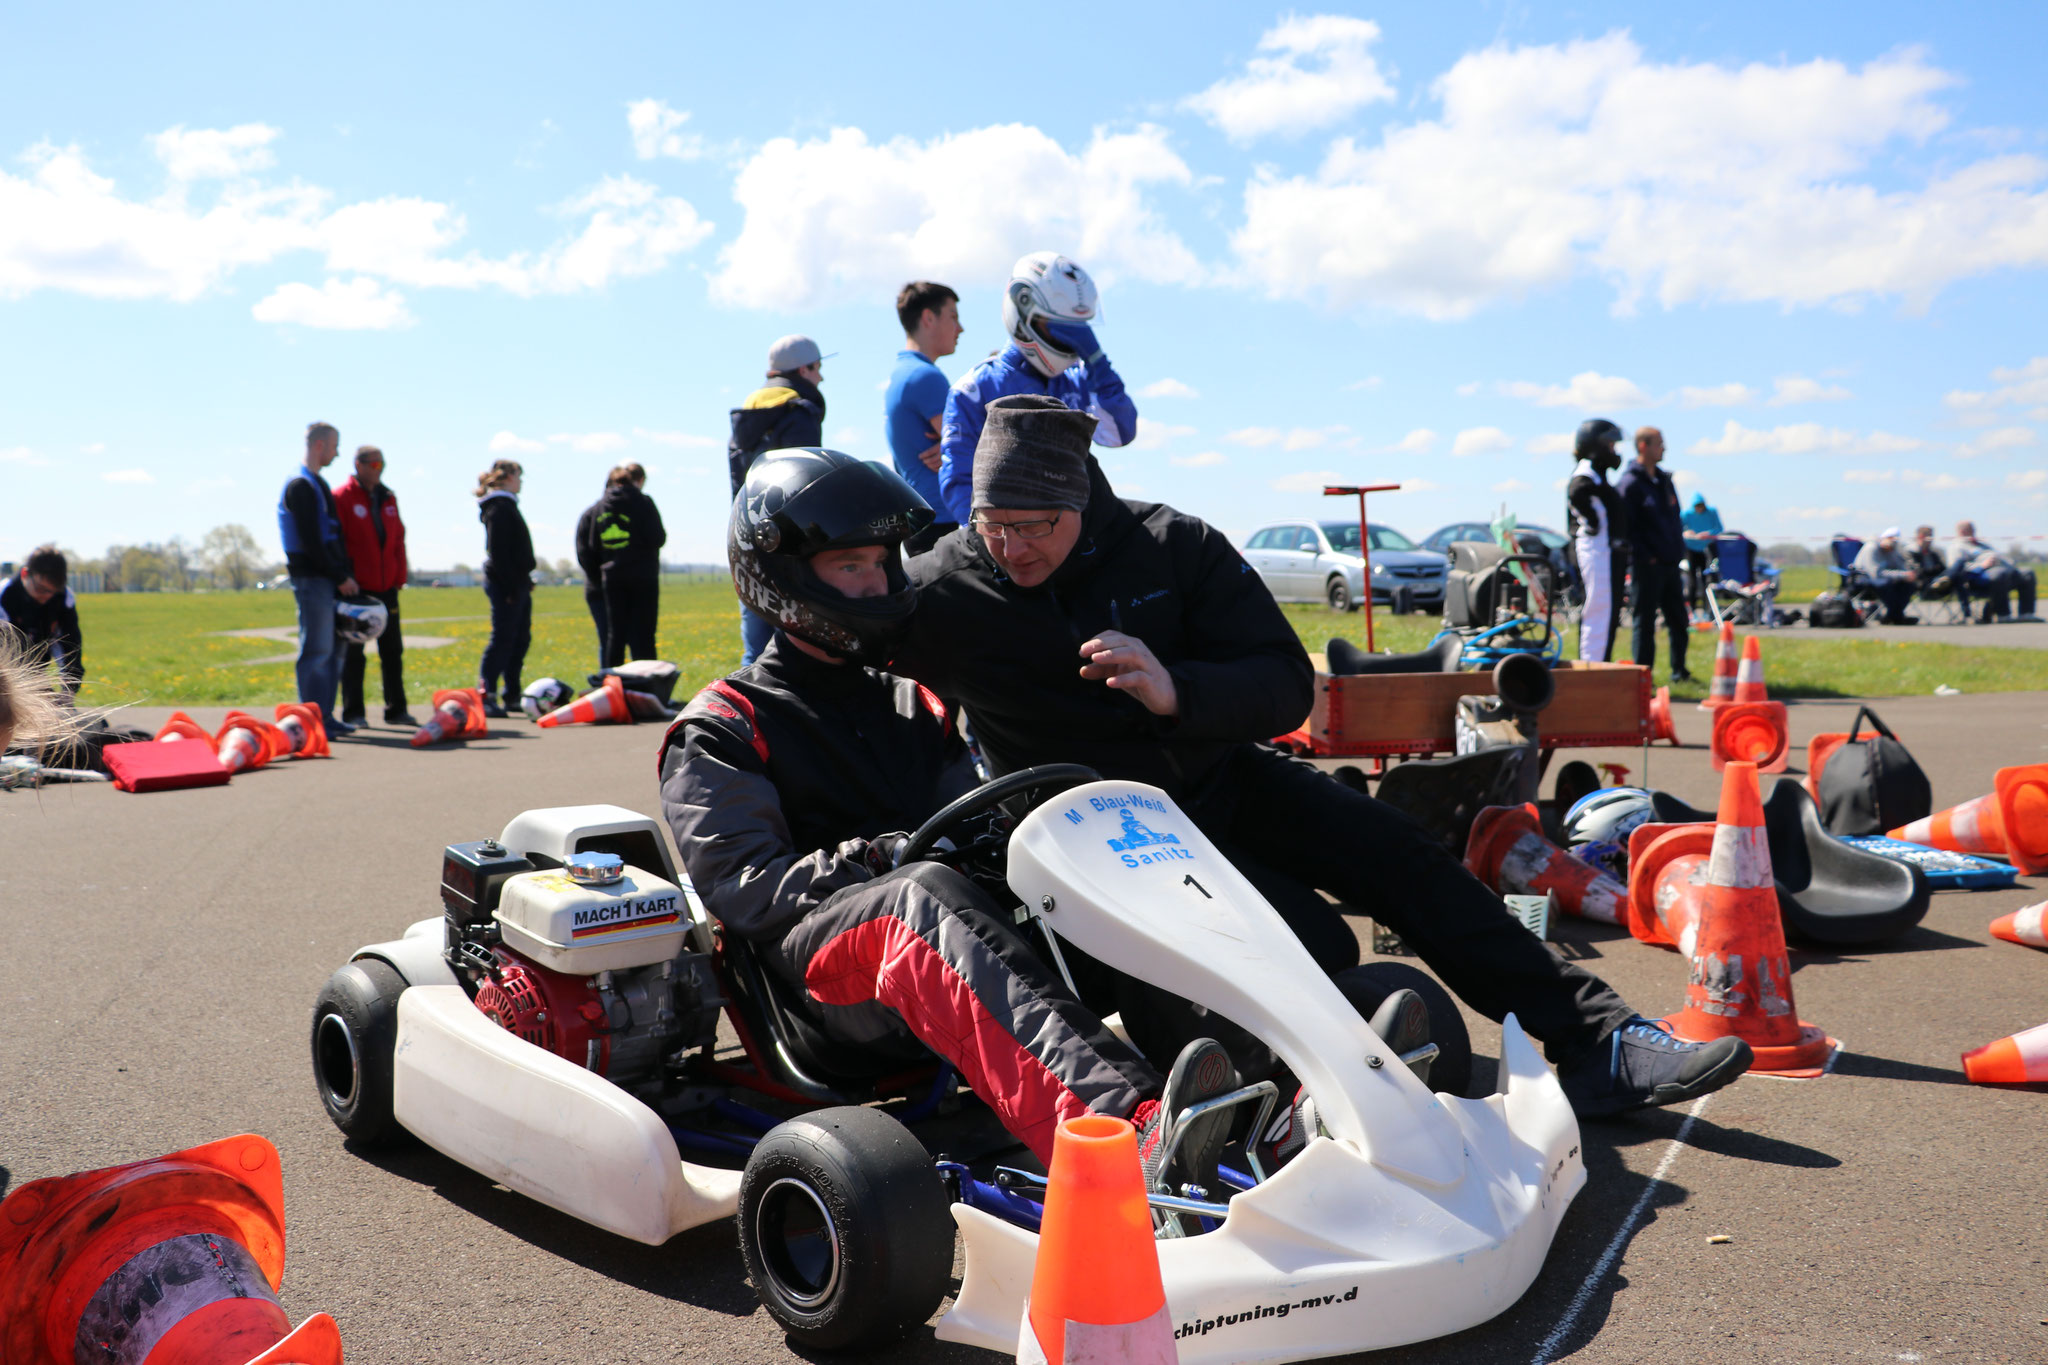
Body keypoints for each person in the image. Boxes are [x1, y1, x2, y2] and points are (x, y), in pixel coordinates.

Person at [895, 395, 1753, 1119]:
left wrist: (1176, 690)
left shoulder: (1172, 547)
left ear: (1079, 499)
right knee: (1299, 942)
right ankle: (1291, 1103)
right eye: (992, 524)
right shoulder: (949, 586)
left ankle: (1597, 1041)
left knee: (1401, 855)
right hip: (1101, 847)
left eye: (1033, 525)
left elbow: (1282, 681)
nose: (1012, 547)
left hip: (1217, 775)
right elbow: (832, 621)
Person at [660, 447, 1243, 1193]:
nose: (876, 582)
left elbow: (964, 823)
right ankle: (1126, 1138)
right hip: (819, 979)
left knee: (1093, 883)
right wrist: (879, 857)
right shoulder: (724, 726)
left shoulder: (913, 702)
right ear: (787, 576)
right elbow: (745, 889)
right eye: (851, 566)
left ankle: (1262, 1091)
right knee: (920, 894)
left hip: (934, 936)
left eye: (880, 562)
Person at [935, 252, 1137, 528]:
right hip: (1008, 544)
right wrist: (992, 542)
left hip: (1073, 540)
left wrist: (1097, 359)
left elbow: (1119, 433)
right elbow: (958, 480)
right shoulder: (974, 389)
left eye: (1077, 328)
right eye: (1056, 326)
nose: (1069, 339)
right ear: (1023, 311)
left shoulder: (1078, 378)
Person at [730, 335, 829, 666]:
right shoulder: (799, 412)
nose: (820, 377)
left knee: (755, 651)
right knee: (799, 649)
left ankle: (747, 714)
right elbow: (806, 483)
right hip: (791, 540)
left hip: (748, 537)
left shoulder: (746, 416)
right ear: (804, 368)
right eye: (817, 368)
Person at [279, 422, 360, 734]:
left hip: (330, 580)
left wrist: (345, 575)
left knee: (334, 650)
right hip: (313, 579)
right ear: (318, 446)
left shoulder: (318, 484)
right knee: (317, 649)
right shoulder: (300, 485)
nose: (337, 453)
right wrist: (339, 576)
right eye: (334, 446)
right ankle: (312, 720)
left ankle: (325, 716)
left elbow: (333, 537)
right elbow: (312, 541)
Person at [334, 445, 414, 727]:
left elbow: (398, 539)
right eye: (374, 464)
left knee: (393, 651)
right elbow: (336, 542)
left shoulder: (388, 498)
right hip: (356, 590)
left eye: (382, 464)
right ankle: (354, 713)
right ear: (359, 465)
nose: (379, 470)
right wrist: (344, 577)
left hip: (386, 587)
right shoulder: (342, 497)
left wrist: (399, 575)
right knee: (354, 655)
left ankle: (397, 710)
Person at [886, 281, 965, 551]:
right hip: (944, 524)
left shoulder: (902, 373)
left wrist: (951, 444)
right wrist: (960, 444)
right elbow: (968, 447)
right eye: (953, 316)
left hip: (920, 522)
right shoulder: (925, 377)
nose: (960, 328)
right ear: (929, 318)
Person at [1615, 427, 1691, 681]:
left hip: (1670, 563)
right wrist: (1647, 556)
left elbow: (1673, 518)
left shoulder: (1664, 481)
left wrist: (1677, 550)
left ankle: (1680, 671)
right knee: (1644, 623)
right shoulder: (1629, 484)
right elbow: (1626, 528)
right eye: (1660, 443)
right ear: (1643, 446)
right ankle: (1643, 677)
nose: (1664, 448)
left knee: (1679, 620)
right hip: (1646, 566)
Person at [577, 463, 667, 667]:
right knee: (643, 635)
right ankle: (646, 687)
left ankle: (613, 686)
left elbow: (591, 544)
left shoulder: (599, 507)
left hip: (612, 578)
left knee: (614, 636)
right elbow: (657, 538)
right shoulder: (643, 502)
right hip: (643, 577)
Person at [475, 459, 534, 718]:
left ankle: (512, 693)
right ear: (508, 477)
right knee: (502, 639)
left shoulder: (507, 505)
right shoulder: (499, 508)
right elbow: (498, 552)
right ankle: (486, 694)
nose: (520, 481)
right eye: (518, 476)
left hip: (517, 581)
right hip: (505, 584)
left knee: (520, 639)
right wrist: (511, 586)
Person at [1565, 418, 1626, 664]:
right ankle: (1592, 667)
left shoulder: (1598, 476)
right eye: (1610, 445)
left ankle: (1600, 664)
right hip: (1595, 552)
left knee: (1607, 613)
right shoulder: (1585, 473)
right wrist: (1591, 521)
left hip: (1606, 554)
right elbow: (1577, 492)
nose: (1614, 451)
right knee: (1597, 611)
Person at [0, 546, 84, 697]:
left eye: (53, 591)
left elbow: (70, 645)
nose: (47, 596)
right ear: (25, 574)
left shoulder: (64, 599)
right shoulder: (5, 597)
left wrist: (68, 691)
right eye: (40, 589)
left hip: (36, 672)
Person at [1946, 520, 2040, 623]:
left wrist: (2010, 564)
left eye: (1973, 529)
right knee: (1999, 574)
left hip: (2005, 570)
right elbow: (1956, 569)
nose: (1973, 531)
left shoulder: (1983, 545)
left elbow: (1999, 556)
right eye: (1970, 529)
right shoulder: (1956, 547)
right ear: (1961, 531)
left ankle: (2026, 614)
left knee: (2027, 573)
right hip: (1980, 577)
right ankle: (2003, 615)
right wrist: (1982, 565)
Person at [1852, 528, 1919, 625]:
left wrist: (1907, 575)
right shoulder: (1871, 549)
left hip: (1885, 579)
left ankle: (1892, 616)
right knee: (1885, 584)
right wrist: (1902, 575)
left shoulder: (1892, 550)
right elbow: (1876, 574)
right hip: (1865, 579)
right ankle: (1897, 617)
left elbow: (1899, 566)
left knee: (1909, 585)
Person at [1680, 492, 1723, 609]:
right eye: (1696, 506)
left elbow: (1719, 528)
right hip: (1691, 549)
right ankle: (1692, 609)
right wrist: (1685, 532)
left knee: (1707, 580)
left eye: (1701, 506)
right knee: (1692, 580)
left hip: (1707, 549)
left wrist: (1708, 534)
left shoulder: (1712, 512)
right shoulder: (1686, 514)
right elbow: (1677, 528)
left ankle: (1707, 608)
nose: (1699, 508)